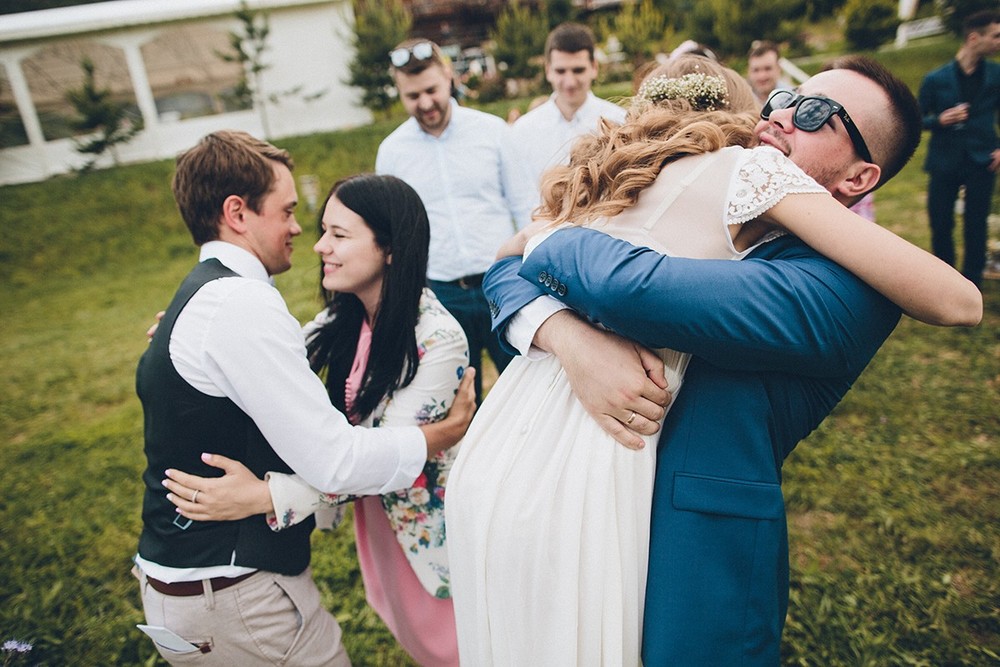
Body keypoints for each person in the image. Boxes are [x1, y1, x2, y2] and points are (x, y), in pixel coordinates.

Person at [447, 55, 982, 665]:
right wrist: (565, 336)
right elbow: (505, 273)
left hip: (674, 545)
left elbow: (632, 287)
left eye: (813, 114)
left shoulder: (849, 287)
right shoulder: (709, 180)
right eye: (782, 96)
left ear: (860, 178)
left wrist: (551, 234)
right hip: (553, 460)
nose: (779, 113)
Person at [134, 132, 475, 665]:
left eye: (337, 234)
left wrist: (267, 497)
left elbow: (360, 458)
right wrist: (191, 333)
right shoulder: (337, 320)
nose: (314, 242)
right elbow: (337, 447)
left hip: (433, 536)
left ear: (389, 247)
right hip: (371, 526)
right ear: (238, 213)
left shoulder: (437, 337)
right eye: (302, 219)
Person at [376, 38, 535, 399]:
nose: (426, 103)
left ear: (449, 77)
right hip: (440, 292)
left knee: (525, 391)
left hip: (503, 282)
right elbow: (392, 231)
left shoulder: (493, 131)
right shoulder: (391, 153)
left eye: (432, 89)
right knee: (458, 399)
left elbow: (525, 205)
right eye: (413, 96)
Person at [919, 8, 1000, 288]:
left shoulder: (996, 74)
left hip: (982, 158)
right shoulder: (935, 79)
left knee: (976, 223)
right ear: (974, 38)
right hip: (944, 160)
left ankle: (973, 281)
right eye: (996, 36)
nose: (999, 41)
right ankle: (946, 280)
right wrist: (938, 120)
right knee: (941, 223)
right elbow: (916, 119)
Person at [510, 22, 628, 205]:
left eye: (578, 70)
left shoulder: (619, 121)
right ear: (548, 71)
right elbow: (522, 196)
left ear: (594, 68)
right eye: (561, 71)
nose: (570, 82)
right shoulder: (523, 130)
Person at [747, 40, 793, 108]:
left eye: (767, 69)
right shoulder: (740, 101)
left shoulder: (792, 99)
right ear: (749, 71)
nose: (762, 76)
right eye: (756, 70)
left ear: (779, 69)